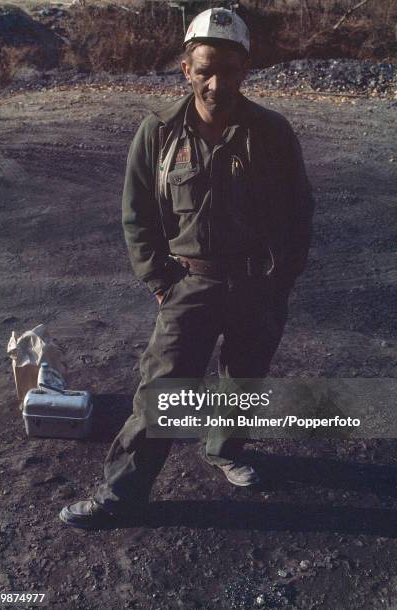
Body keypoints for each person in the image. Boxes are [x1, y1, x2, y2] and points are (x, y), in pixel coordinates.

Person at [60, 7, 314, 529]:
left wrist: (281, 278)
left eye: (231, 69)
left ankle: (225, 449)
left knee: (243, 378)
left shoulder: (271, 133)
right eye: (206, 68)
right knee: (162, 390)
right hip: (189, 283)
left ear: (247, 70)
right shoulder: (158, 134)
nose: (217, 82)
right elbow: (137, 214)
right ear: (186, 69)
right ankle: (122, 494)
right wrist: (160, 280)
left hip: (256, 284)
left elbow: (298, 209)